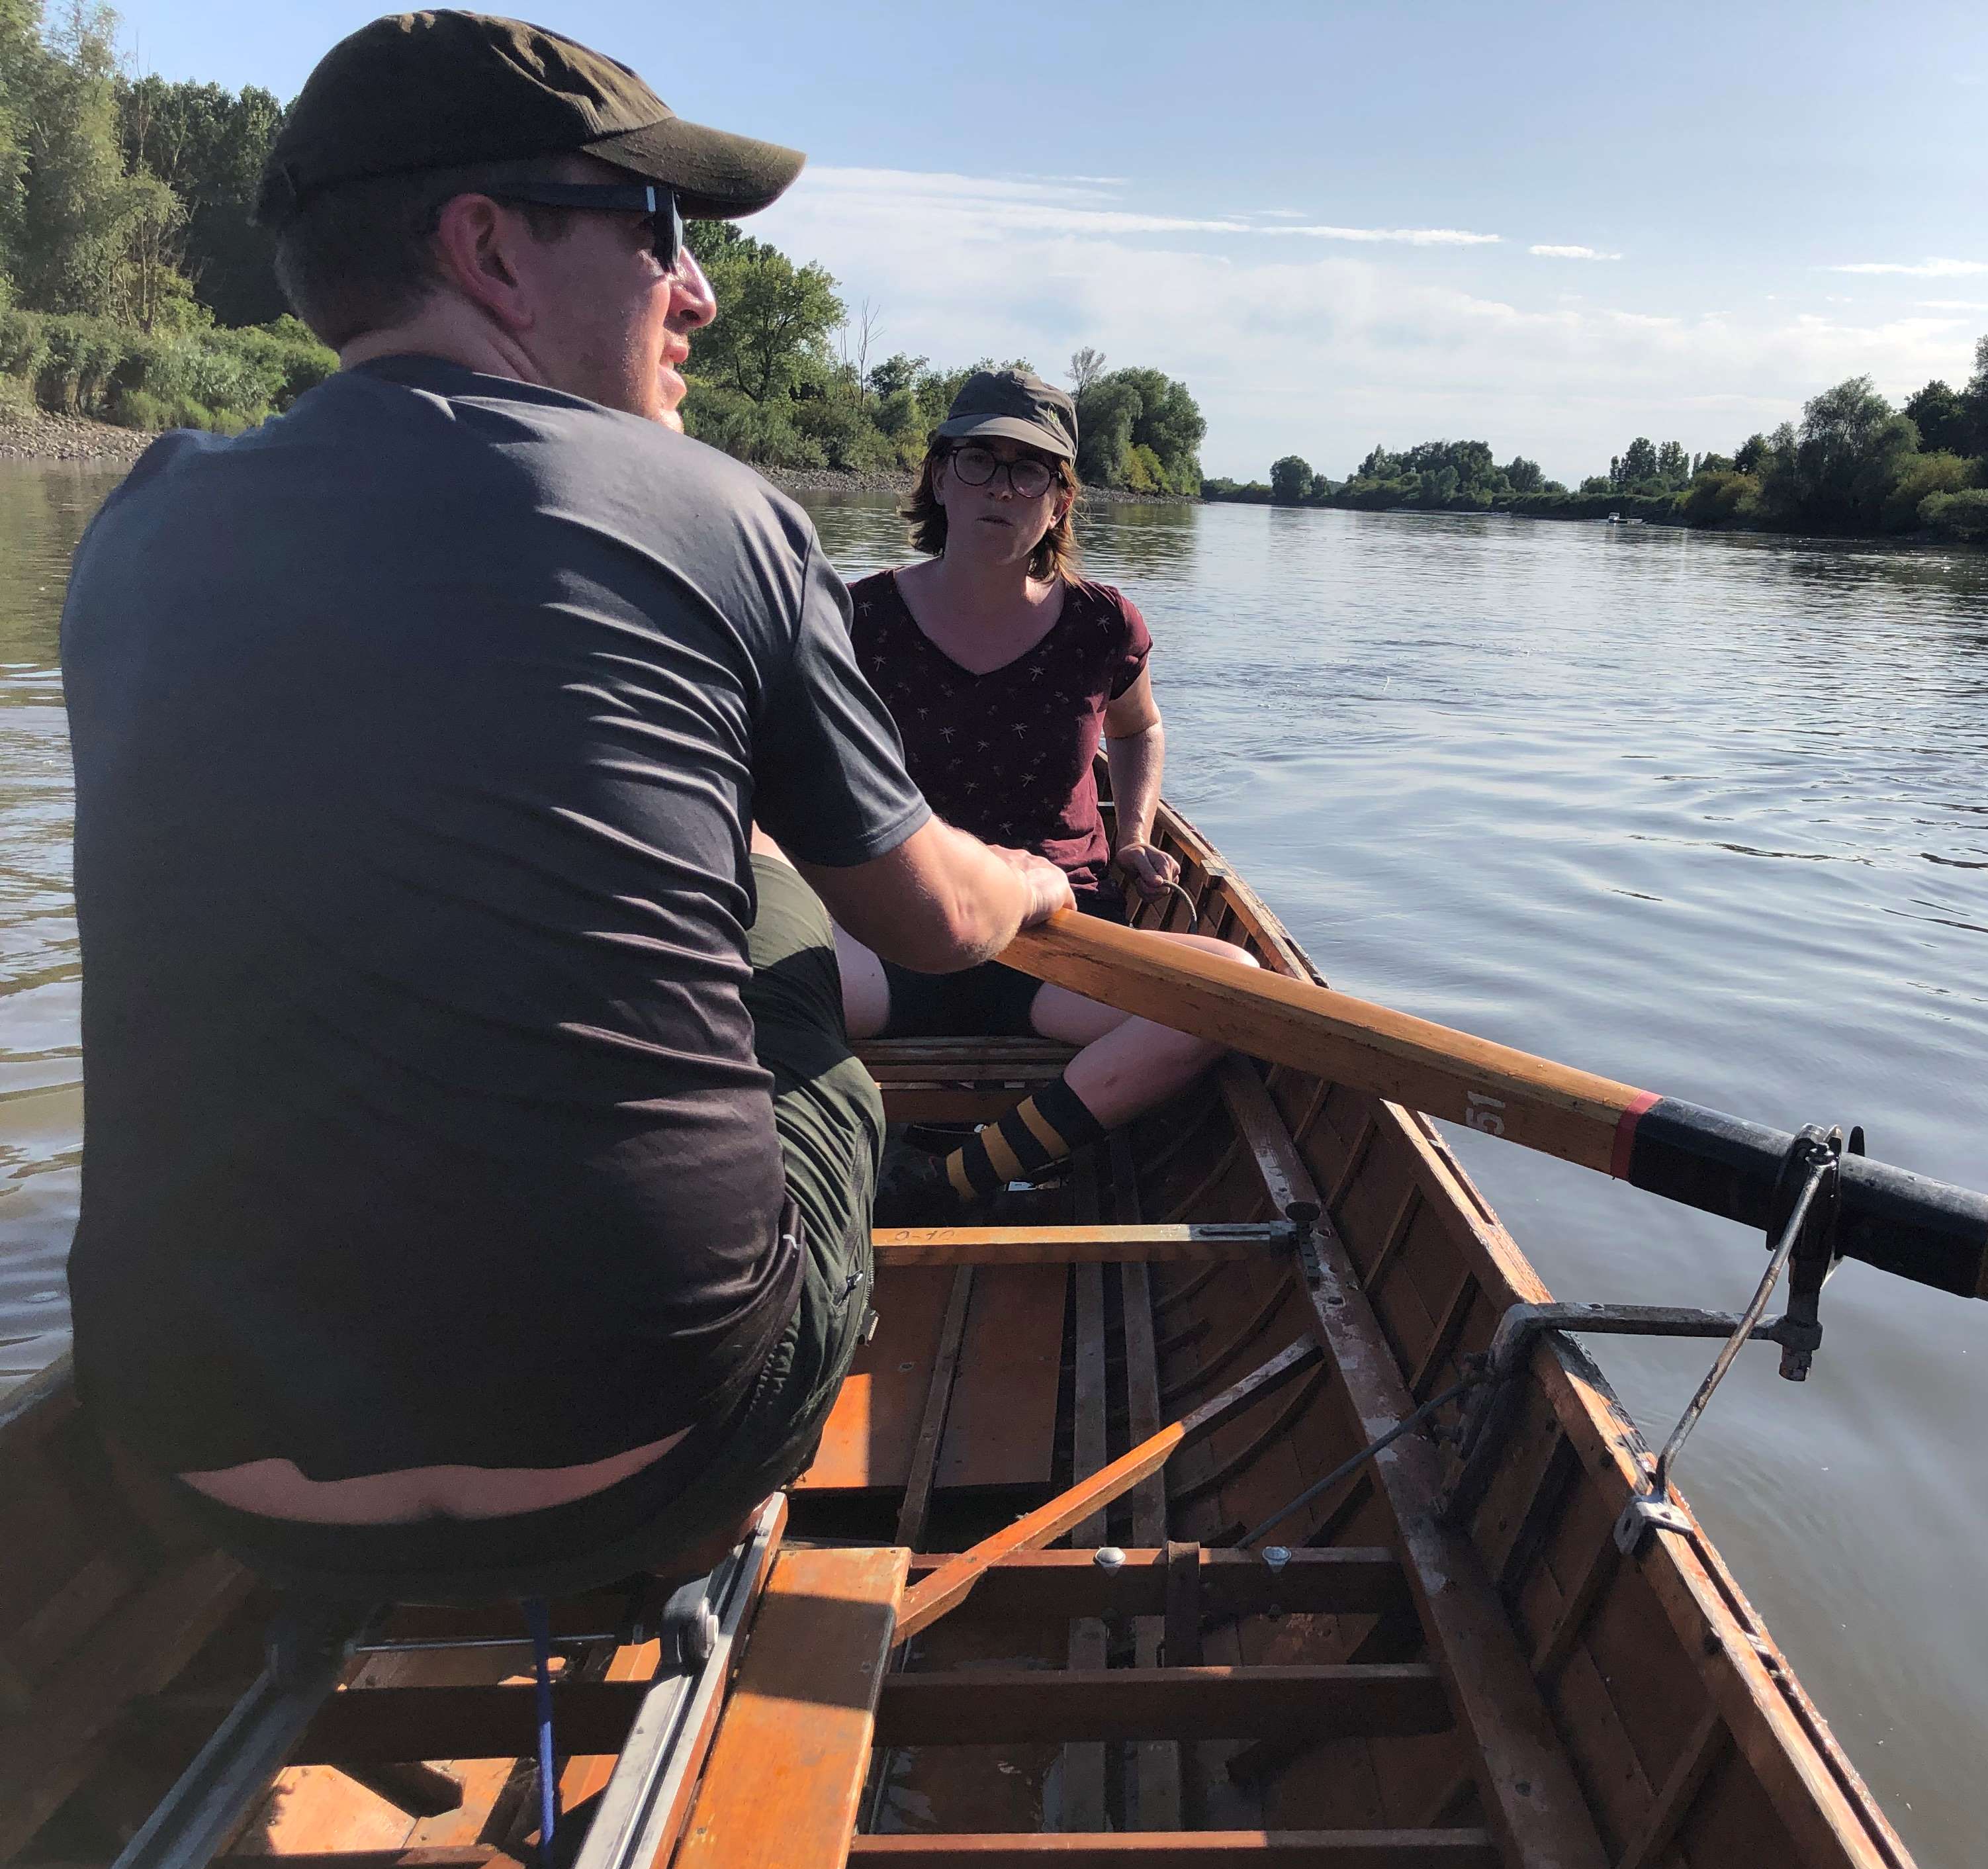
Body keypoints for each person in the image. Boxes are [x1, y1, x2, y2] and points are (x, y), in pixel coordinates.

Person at [59, 12, 1069, 1602]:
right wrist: (1029, 886)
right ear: (488, 250)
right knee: (795, 941)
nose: (701, 292)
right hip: (654, 1448)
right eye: (661, 232)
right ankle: (739, 1490)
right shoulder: (717, 508)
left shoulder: (140, 524)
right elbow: (933, 918)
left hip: (205, 1457)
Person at [839, 370, 1257, 1220]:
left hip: (1054, 941)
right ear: (937, 477)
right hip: (892, 929)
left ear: (1061, 500)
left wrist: (1134, 835)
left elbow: (1138, 731)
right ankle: (829, 1158)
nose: (1001, 487)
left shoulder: (1102, 626)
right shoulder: (857, 618)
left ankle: (954, 1176)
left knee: (1236, 992)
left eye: (1029, 470)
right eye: (978, 461)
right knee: (699, 990)